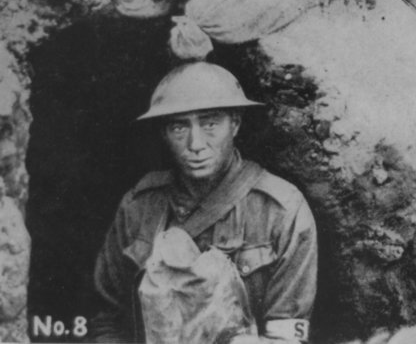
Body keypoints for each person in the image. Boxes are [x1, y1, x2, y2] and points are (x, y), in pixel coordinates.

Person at [91, 62, 318, 343]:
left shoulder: (280, 210)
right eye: (178, 127)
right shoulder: (139, 207)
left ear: (235, 123)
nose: (195, 143)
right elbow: (107, 322)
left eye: (210, 124)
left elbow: (287, 335)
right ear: (163, 133)